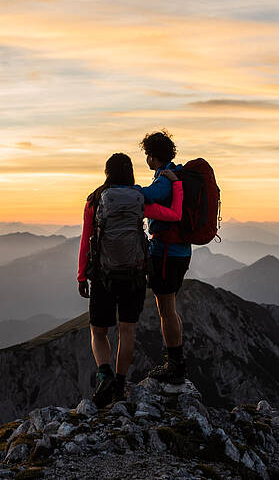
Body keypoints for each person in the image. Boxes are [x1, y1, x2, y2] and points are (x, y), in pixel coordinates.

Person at [78, 152, 183, 407]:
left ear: (107, 173)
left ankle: (104, 374)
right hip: (134, 275)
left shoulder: (95, 200)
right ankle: (121, 384)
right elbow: (174, 215)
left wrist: (82, 274)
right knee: (127, 331)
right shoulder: (139, 200)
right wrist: (177, 185)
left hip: (103, 276)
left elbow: (86, 240)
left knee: (99, 331)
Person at [138, 129, 191, 384]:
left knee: (166, 310)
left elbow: (148, 195)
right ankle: (176, 359)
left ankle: (175, 364)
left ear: (152, 156)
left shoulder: (164, 179)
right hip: (180, 251)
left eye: (148, 154)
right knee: (170, 309)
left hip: (166, 253)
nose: (146, 159)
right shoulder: (176, 173)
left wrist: (126, 187)